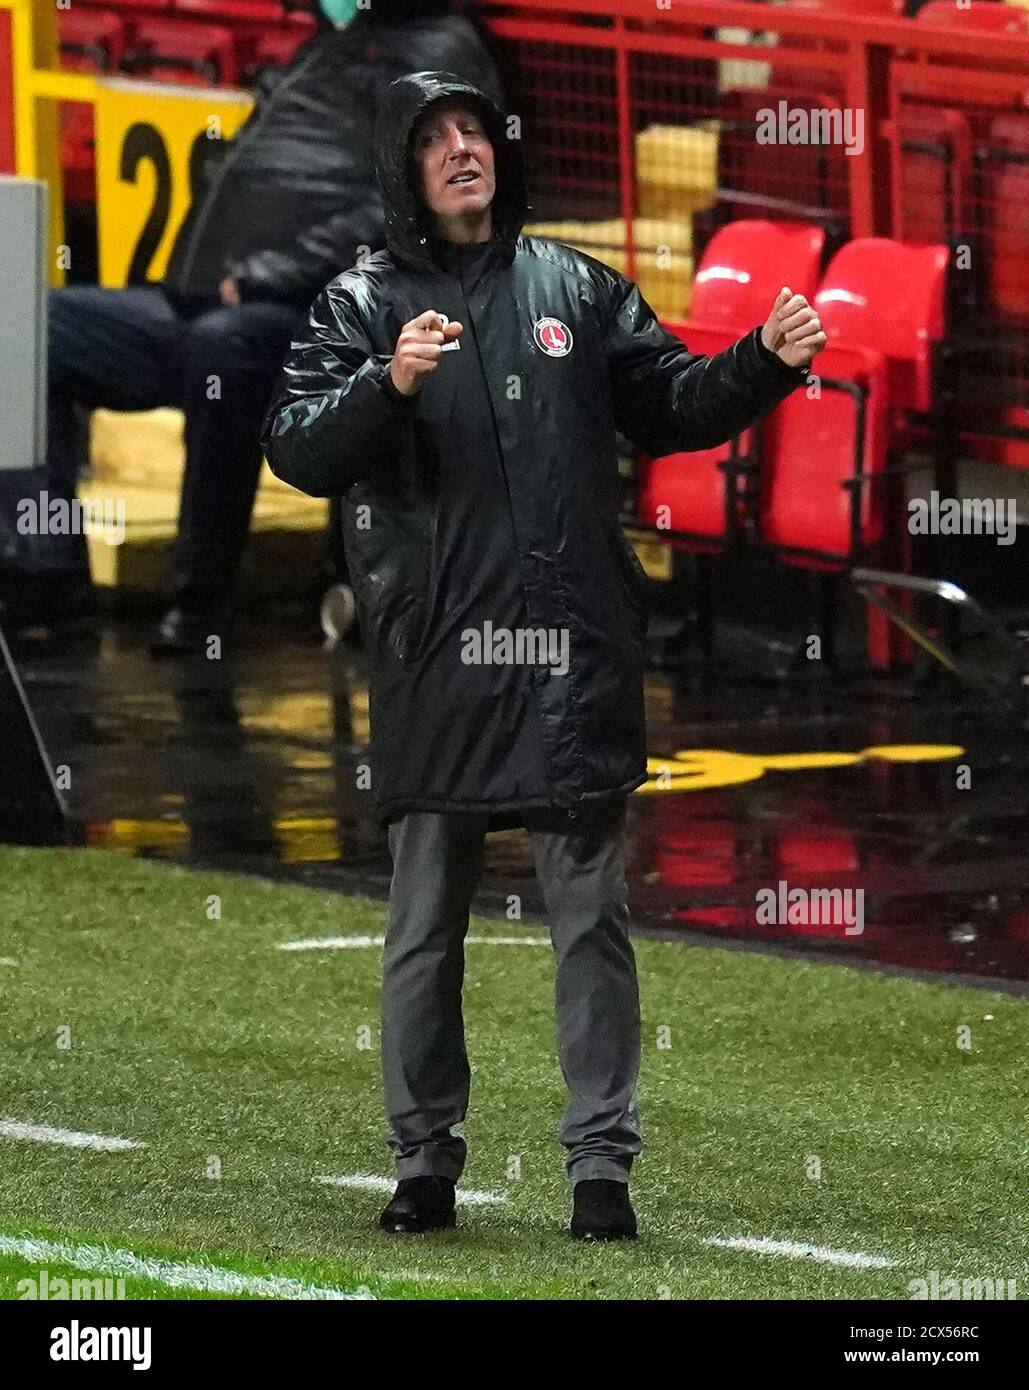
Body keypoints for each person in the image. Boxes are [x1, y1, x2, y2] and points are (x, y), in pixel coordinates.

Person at [261, 71, 826, 1240]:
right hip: (436, 660)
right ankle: (425, 1164)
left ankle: (600, 1170)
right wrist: (390, 383)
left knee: (592, 919)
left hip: (571, 660)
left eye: (475, 131)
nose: (465, 150)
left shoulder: (570, 281)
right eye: (437, 139)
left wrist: (763, 359)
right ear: (402, 168)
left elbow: (671, 402)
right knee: (424, 927)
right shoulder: (361, 307)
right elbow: (299, 450)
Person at [0, 0, 499, 654]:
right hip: (204, 296)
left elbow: (410, 208)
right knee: (28, 325)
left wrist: (273, 273)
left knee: (225, 351)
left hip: (312, 314)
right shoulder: (329, 43)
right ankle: (45, 571)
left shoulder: (443, 52)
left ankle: (199, 600)